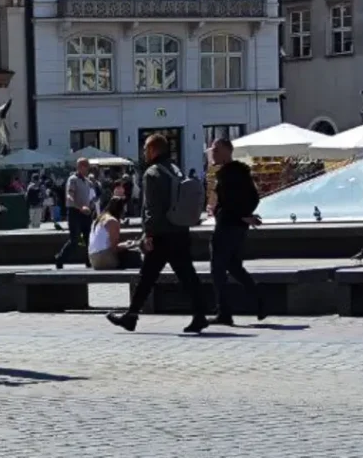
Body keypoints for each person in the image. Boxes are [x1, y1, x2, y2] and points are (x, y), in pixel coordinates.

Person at [107, 133, 209, 334]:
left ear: (154, 150)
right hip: (179, 230)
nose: (144, 152)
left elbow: (151, 208)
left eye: (146, 148)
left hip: (161, 234)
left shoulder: (152, 173)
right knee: (187, 275)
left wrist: (148, 234)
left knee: (147, 276)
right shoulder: (175, 170)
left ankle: (132, 316)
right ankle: (199, 315)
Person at [208, 138, 265, 325]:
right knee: (233, 266)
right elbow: (253, 198)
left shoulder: (229, 174)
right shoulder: (241, 172)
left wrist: (239, 214)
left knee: (218, 269)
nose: (212, 153)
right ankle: (259, 300)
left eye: (216, 150)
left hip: (227, 226)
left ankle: (224, 313)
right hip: (238, 226)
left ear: (227, 151)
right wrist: (245, 215)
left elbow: (231, 201)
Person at [55, 158, 93, 269]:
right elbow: (69, 196)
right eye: (86, 166)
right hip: (75, 212)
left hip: (86, 213)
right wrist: (80, 207)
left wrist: (90, 205)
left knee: (88, 239)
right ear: (80, 167)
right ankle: (60, 258)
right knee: (75, 239)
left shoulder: (87, 181)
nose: (88, 169)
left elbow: (90, 197)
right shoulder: (73, 179)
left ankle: (89, 261)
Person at [88, 196, 142, 269]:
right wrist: (127, 245)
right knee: (133, 255)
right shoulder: (112, 221)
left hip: (93, 260)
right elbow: (114, 248)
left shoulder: (98, 220)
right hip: (105, 259)